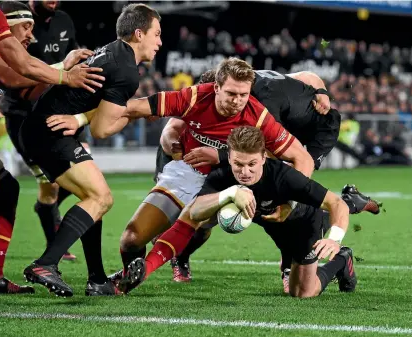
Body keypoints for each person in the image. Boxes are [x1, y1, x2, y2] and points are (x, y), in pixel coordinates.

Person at [67, 57, 312, 293]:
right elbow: (132, 107)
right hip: (188, 172)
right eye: (231, 94)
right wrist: (79, 118)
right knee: (131, 240)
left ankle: (289, 268)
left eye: (243, 95)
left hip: (231, 181)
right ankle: (130, 275)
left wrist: (289, 201)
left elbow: (303, 158)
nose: (238, 101)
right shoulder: (194, 97)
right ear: (216, 87)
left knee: (216, 222)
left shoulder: (258, 116)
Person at [155, 69, 379, 292]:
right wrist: (178, 154)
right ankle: (182, 256)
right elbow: (171, 131)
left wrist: (222, 156)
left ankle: (293, 262)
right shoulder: (209, 98)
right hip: (265, 138)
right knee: (209, 210)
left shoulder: (259, 105)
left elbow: (267, 154)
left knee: (283, 200)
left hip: (315, 130)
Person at [21, 3, 162, 298]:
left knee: (92, 198)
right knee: (101, 197)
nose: (160, 42)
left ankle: (97, 280)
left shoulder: (111, 51)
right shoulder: (127, 71)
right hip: (52, 131)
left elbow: (97, 114)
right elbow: (102, 130)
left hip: (40, 126)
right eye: (156, 34)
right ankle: (46, 263)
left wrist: (86, 116)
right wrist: (134, 111)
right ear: (139, 34)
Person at [126, 126, 357, 298]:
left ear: (264, 157)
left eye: (251, 165)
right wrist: (228, 194)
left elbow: (337, 204)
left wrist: (335, 240)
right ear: (230, 156)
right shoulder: (223, 176)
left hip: (301, 223)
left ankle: (341, 260)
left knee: (303, 293)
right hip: (269, 220)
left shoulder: (284, 177)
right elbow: (193, 212)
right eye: (238, 164)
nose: (244, 172)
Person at [0, 1, 93, 299]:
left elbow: (20, 80)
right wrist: (64, 70)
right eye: (25, 27)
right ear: (5, 25)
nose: (32, 36)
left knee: (5, 186)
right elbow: (15, 73)